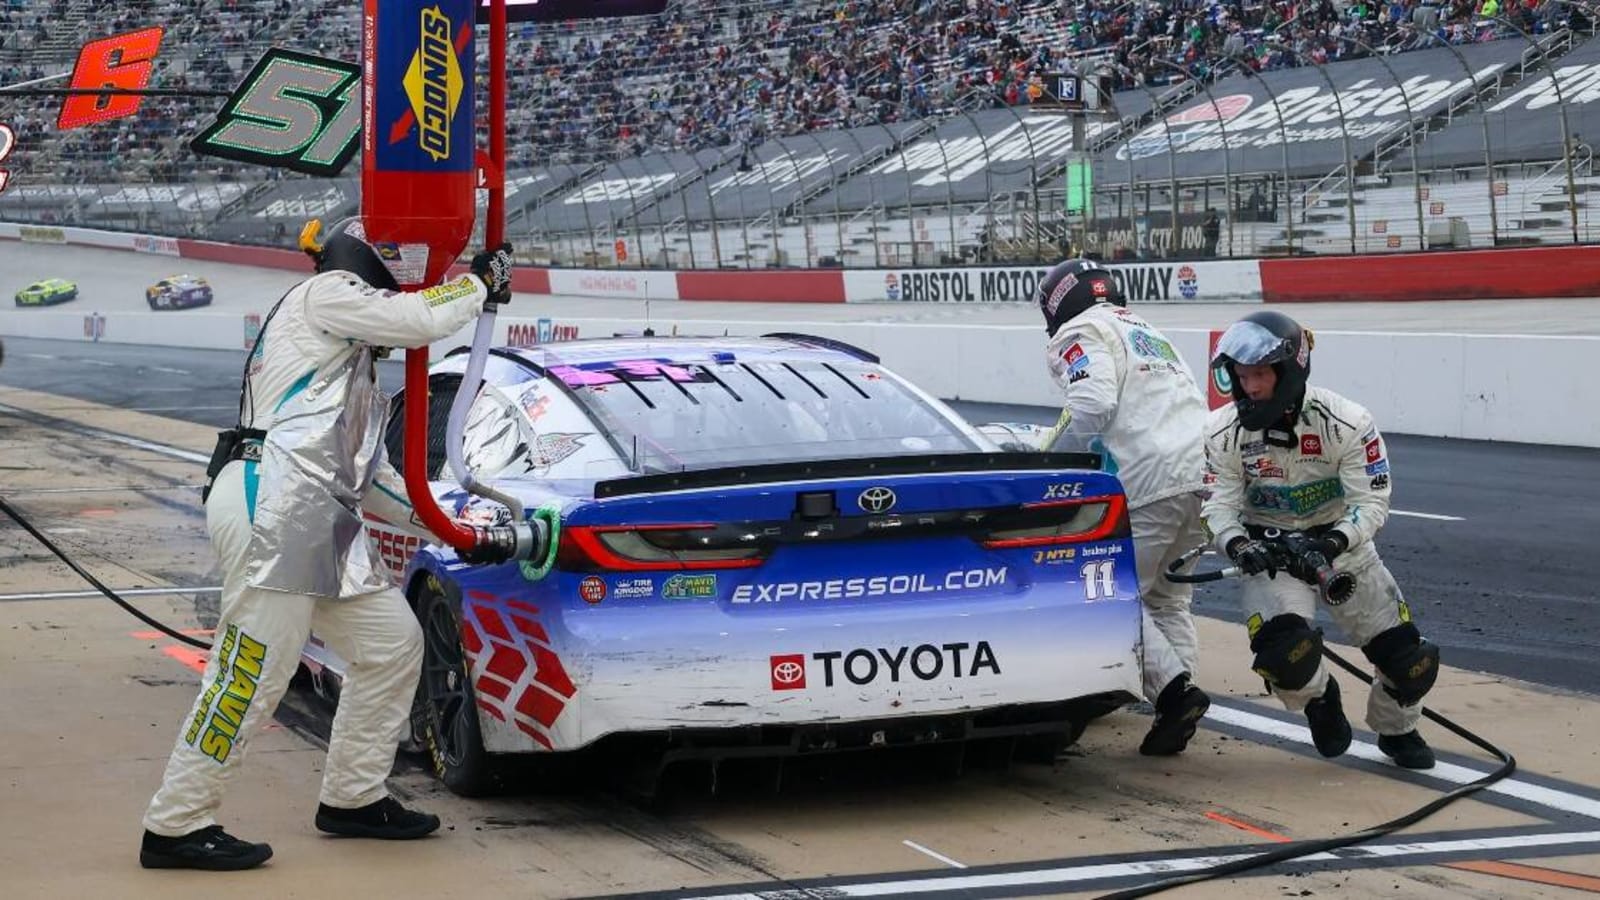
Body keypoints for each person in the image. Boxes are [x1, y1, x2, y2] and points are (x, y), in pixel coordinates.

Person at [140, 218, 526, 870]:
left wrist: (463, 535)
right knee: (250, 672)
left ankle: (353, 797)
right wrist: (477, 285)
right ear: (373, 270)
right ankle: (176, 823)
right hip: (275, 499)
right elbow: (418, 319)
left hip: (310, 511)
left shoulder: (343, 370)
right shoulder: (327, 293)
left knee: (391, 645)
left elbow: (376, 485)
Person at [1203, 310, 1439, 770]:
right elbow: (1217, 506)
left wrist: (1331, 544)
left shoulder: (1348, 422)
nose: (1249, 387)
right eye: (1241, 375)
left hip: (1342, 550)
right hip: (1271, 558)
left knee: (1410, 660)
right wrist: (1237, 545)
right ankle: (1319, 698)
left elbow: (1371, 503)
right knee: (1284, 656)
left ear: (1289, 370)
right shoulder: (1220, 431)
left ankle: (1397, 729)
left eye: (1259, 375)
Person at [1034, 258, 1213, 756]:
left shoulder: (1080, 330)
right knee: (1168, 601)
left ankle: (1175, 693)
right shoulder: (1146, 329)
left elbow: (1091, 404)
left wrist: (1054, 459)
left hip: (1149, 479)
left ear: (1058, 303)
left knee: (1108, 595)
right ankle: (1178, 699)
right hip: (1204, 475)